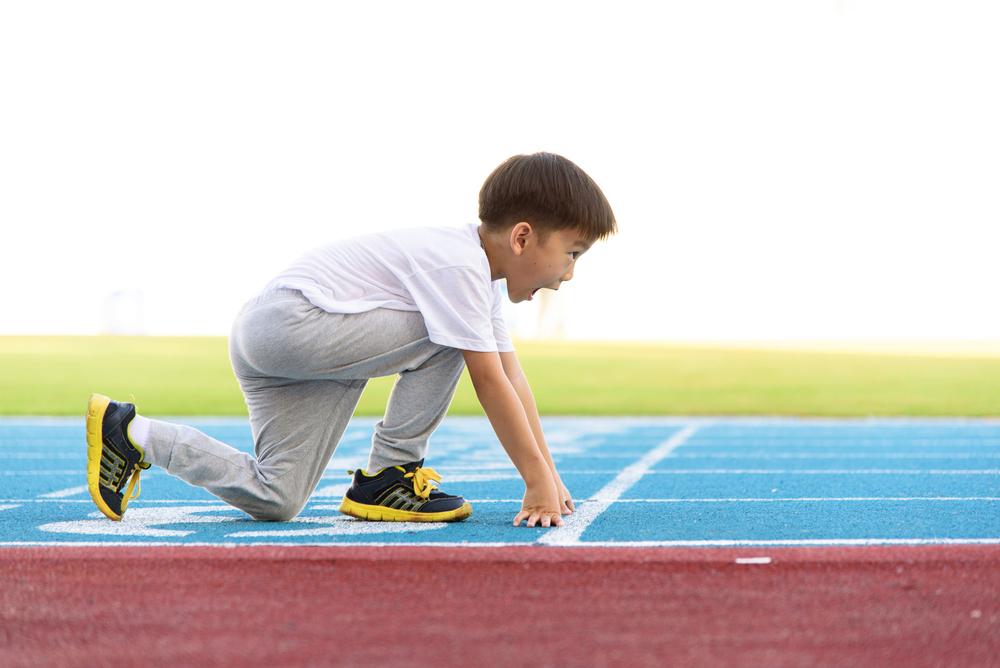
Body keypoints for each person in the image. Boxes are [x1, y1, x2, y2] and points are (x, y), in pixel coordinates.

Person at [86, 152, 617, 529]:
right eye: (572, 253)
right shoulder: (459, 265)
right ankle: (390, 472)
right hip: (293, 325)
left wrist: (548, 475)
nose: (569, 273)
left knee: (276, 497)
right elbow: (488, 380)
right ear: (522, 237)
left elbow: (512, 377)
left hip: (288, 346)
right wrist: (534, 481)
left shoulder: (479, 286)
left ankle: (134, 433)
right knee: (451, 338)